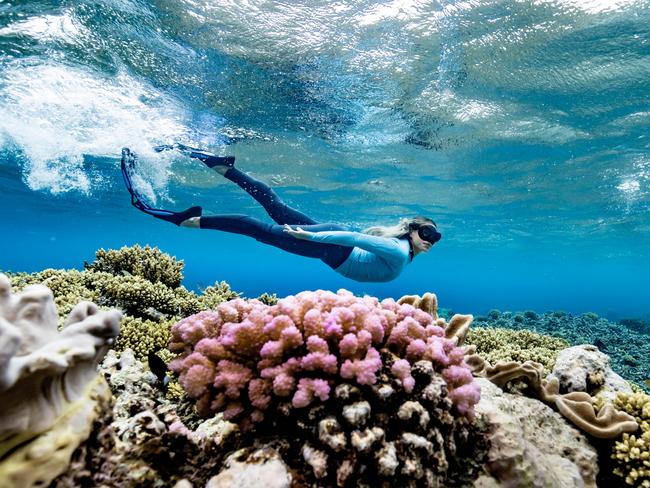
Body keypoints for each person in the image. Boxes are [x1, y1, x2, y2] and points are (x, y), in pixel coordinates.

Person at [120, 144, 441, 283]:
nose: (430, 241)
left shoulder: (402, 252)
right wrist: (311, 236)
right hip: (330, 245)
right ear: (412, 230)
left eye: (435, 239)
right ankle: (186, 221)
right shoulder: (400, 252)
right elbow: (353, 237)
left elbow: (354, 239)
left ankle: (223, 168)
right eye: (426, 233)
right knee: (255, 227)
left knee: (274, 206)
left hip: (331, 247)